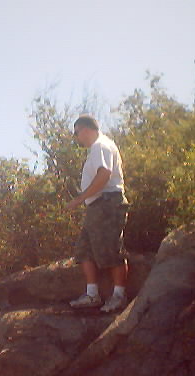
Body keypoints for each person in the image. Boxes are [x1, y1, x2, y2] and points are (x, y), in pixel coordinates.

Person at [65, 114, 129, 313]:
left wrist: (80, 198)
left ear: (85, 129)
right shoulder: (97, 148)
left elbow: (104, 174)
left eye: (76, 133)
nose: (77, 138)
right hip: (97, 207)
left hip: (108, 203)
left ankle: (119, 296)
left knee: (111, 248)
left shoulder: (101, 145)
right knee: (85, 250)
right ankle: (92, 294)